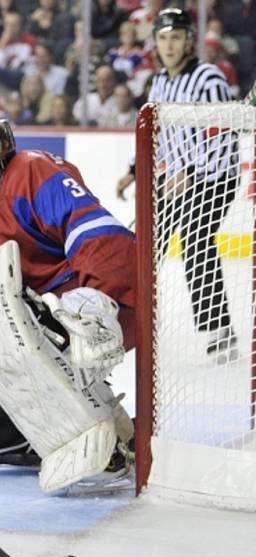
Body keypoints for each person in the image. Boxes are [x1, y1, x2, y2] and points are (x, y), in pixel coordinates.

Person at [0, 104, 136, 494]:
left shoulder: (31, 169)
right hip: (56, 309)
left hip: (108, 300)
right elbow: (0, 285)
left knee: (46, 343)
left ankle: (106, 451)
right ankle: (112, 437)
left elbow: (94, 228)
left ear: (1, 142)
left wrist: (97, 299)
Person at [116, 8, 238, 362]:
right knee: (143, 244)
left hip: (217, 178)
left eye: (176, 37)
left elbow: (223, 134)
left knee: (196, 242)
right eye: (163, 37)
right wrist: (135, 170)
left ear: (188, 40)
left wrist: (194, 173)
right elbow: (159, 136)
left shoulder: (208, 78)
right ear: (155, 42)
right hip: (178, 181)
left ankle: (219, 334)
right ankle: (132, 324)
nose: (169, 45)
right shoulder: (160, 82)